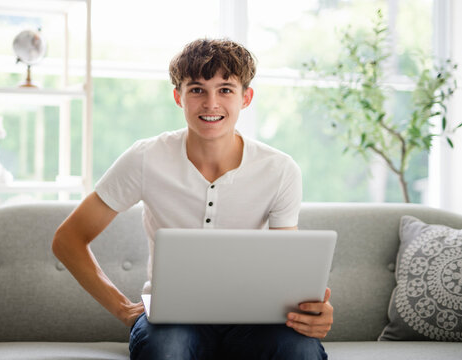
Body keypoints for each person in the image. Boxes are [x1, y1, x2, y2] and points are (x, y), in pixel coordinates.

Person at [52, 38, 333, 359]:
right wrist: (124, 309)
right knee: (167, 348)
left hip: (254, 318)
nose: (211, 103)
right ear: (178, 97)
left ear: (246, 97)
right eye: (197, 89)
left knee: (299, 350)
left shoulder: (280, 169)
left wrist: (311, 312)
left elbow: (286, 269)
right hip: (172, 318)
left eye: (225, 89)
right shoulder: (146, 158)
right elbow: (68, 239)